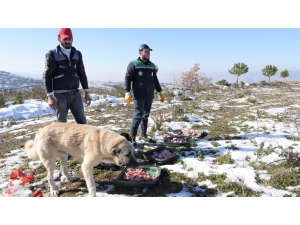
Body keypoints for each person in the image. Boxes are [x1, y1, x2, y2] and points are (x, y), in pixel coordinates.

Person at [43, 28, 91, 124]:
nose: (68, 41)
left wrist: (86, 93)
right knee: (61, 125)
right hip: (60, 96)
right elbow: (47, 76)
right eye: (65, 39)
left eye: (69, 38)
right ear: (59, 38)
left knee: (82, 123)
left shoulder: (77, 54)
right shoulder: (52, 54)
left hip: (75, 94)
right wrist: (50, 96)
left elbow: (82, 74)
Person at [124, 44, 165, 145]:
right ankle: (132, 137)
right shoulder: (134, 63)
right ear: (140, 52)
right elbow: (128, 78)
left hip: (149, 94)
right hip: (139, 94)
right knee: (138, 115)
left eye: (149, 52)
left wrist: (160, 91)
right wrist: (127, 92)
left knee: (146, 115)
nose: (148, 53)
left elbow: (155, 79)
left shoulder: (152, 65)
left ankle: (143, 134)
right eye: (146, 51)